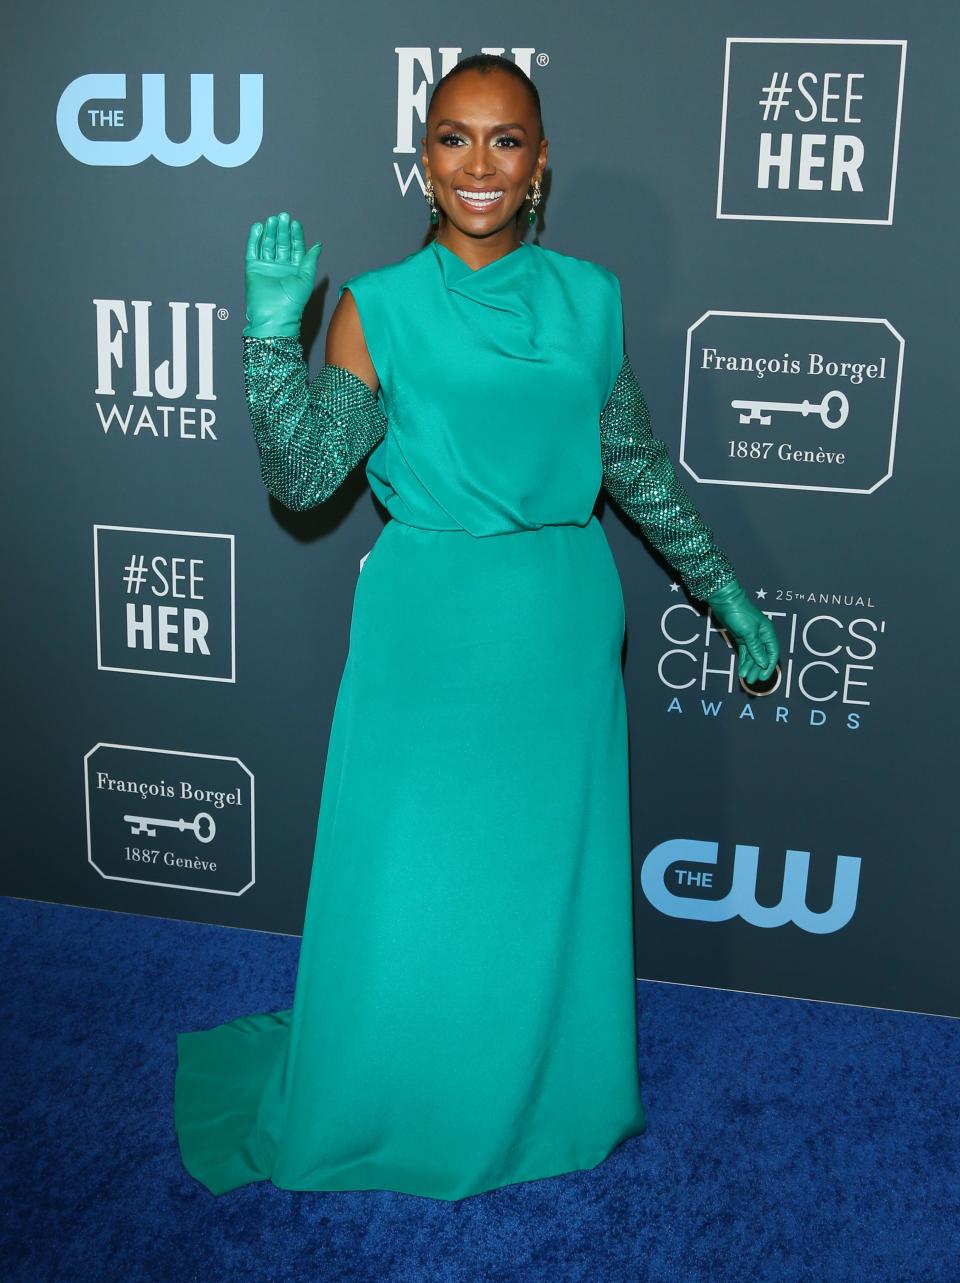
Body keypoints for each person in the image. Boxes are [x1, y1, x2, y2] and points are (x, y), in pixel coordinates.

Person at [173, 54, 779, 1202]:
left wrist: (727, 592)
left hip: (558, 627)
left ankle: (546, 1089)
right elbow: (306, 478)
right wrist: (266, 337)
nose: (481, 165)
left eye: (507, 141)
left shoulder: (592, 298)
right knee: (409, 874)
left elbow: (636, 467)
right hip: (427, 630)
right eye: (455, 138)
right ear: (423, 160)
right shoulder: (378, 307)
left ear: (541, 163)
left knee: (538, 882)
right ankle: (391, 1091)